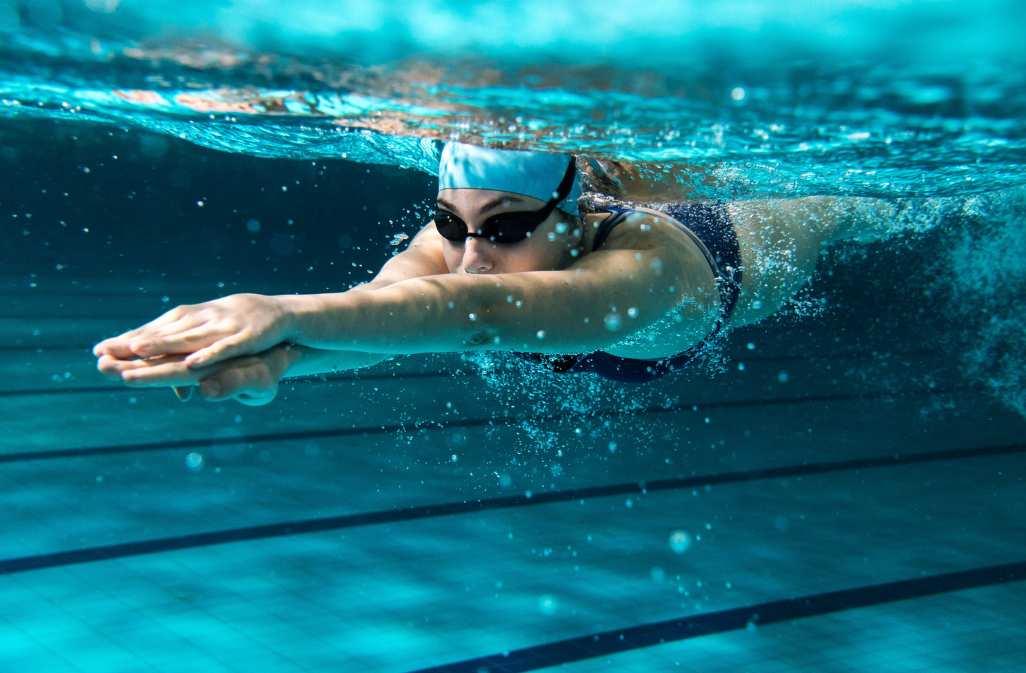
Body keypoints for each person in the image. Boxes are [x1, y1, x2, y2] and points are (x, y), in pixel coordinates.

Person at [93, 141, 893, 404]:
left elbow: (484, 312)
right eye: (451, 223)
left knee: (852, 206)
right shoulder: (463, 243)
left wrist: (276, 310)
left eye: (506, 228)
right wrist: (278, 363)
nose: (471, 254)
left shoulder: (649, 270)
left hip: (744, 242)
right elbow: (383, 312)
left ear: (573, 218)